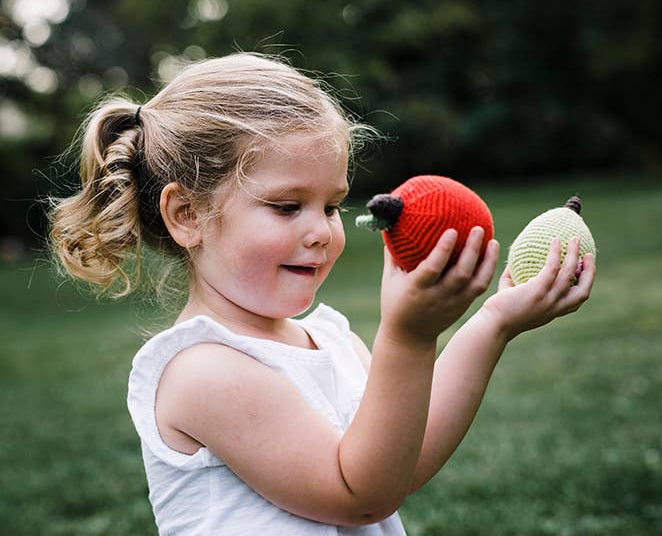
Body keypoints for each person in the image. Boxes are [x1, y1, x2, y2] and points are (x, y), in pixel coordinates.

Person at [49, 53, 595, 535]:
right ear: (187, 215)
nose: (321, 231)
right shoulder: (203, 371)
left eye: (332, 206)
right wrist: (407, 337)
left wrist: (494, 322)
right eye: (288, 206)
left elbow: (399, 462)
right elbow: (359, 496)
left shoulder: (329, 340)